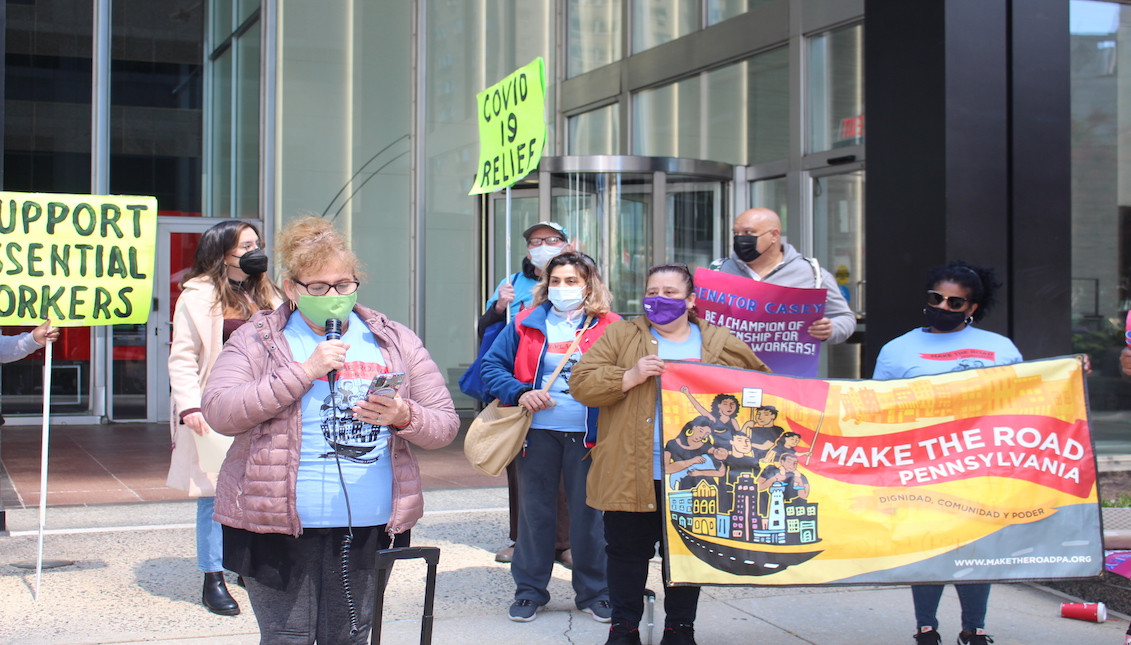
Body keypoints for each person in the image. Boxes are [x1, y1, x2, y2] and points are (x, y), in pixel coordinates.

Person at [200, 216, 459, 644]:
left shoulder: (394, 340)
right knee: (288, 637)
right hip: (276, 524)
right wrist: (305, 372)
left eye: (344, 284)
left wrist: (402, 415)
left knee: (351, 637)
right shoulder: (258, 338)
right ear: (291, 288)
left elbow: (445, 424)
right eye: (318, 287)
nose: (333, 296)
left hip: (368, 523)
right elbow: (221, 411)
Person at [571, 263, 771, 645]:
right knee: (626, 553)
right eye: (652, 291)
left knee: (686, 555)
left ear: (691, 300)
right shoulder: (622, 334)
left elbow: (761, 387)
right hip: (631, 468)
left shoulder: (717, 341)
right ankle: (624, 627)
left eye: (670, 292)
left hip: (695, 475)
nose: (658, 299)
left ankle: (680, 628)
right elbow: (581, 384)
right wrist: (628, 376)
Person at [872, 260, 1022, 645]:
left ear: (972, 308)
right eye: (936, 298)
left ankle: (975, 629)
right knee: (927, 544)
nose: (943, 307)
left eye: (955, 303)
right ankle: (926, 628)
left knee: (976, 546)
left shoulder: (1000, 349)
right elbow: (873, 411)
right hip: (921, 467)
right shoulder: (897, 350)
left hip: (980, 465)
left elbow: (1025, 403)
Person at [480, 251, 618, 624]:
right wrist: (521, 391)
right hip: (535, 434)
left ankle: (595, 592)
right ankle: (529, 591)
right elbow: (490, 367)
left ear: (589, 284)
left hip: (590, 436)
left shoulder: (613, 326)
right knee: (534, 515)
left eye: (571, 281)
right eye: (555, 281)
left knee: (590, 517)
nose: (561, 288)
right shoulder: (524, 322)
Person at [166, 220, 283, 616]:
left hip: (266, 404)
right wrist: (189, 405)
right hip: (216, 405)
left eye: (256, 243)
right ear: (223, 253)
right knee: (214, 493)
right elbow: (182, 356)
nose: (254, 250)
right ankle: (212, 576)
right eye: (245, 245)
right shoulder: (197, 296)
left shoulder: (267, 291)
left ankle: (245, 565)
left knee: (261, 485)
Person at [479, 221, 575, 566]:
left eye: (551, 239)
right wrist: (499, 308)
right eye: (536, 241)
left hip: (571, 404)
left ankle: (566, 543)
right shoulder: (513, 284)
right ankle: (523, 541)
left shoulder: (583, 281)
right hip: (520, 393)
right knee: (523, 474)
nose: (543, 245)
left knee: (569, 479)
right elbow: (487, 333)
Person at [712, 208, 855, 345]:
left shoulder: (812, 274)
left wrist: (831, 328)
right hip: (730, 367)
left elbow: (845, 318)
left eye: (749, 232)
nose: (740, 239)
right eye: (736, 233)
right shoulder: (719, 271)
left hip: (788, 366)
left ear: (774, 235)